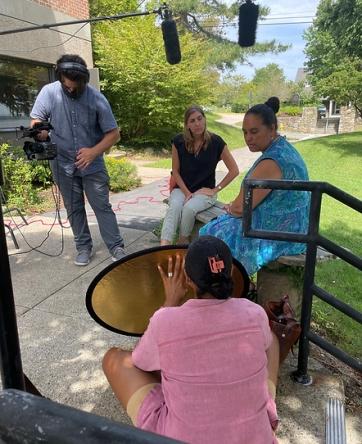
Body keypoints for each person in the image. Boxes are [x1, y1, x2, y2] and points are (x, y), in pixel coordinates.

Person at [102, 236, 280, 444]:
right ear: (231, 272)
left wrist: (170, 302)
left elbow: (140, 361)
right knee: (272, 339)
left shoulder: (166, 320)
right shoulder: (254, 313)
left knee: (114, 358)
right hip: (256, 438)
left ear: (187, 279)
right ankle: (269, 405)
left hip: (180, 438)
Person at [30, 54, 125, 266]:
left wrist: (93, 151)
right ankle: (83, 247)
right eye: (67, 86)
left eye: (75, 86)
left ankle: (116, 246)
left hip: (93, 164)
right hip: (63, 164)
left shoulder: (97, 98)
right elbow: (37, 121)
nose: (71, 90)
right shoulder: (49, 92)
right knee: (73, 208)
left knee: (102, 206)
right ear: (61, 78)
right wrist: (40, 132)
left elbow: (113, 134)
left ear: (84, 81)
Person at [200, 97, 310, 276]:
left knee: (211, 236)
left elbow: (239, 208)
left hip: (282, 233)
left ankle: (227, 287)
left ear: (272, 128)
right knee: (216, 229)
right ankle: (233, 284)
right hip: (295, 227)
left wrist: (231, 208)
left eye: (254, 132)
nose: (248, 138)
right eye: (244, 132)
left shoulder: (273, 161)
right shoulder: (283, 149)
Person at [160, 105, 239, 245]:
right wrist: (187, 192)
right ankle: (162, 247)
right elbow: (175, 172)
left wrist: (216, 189)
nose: (197, 123)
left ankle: (183, 240)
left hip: (205, 192)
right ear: (187, 125)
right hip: (182, 189)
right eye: (192, 121)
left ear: (204, 119)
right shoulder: (178, 141)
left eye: (199, 118)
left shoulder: (216, 142)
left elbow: (234, 170)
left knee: (189, 208)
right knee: (175, 207)